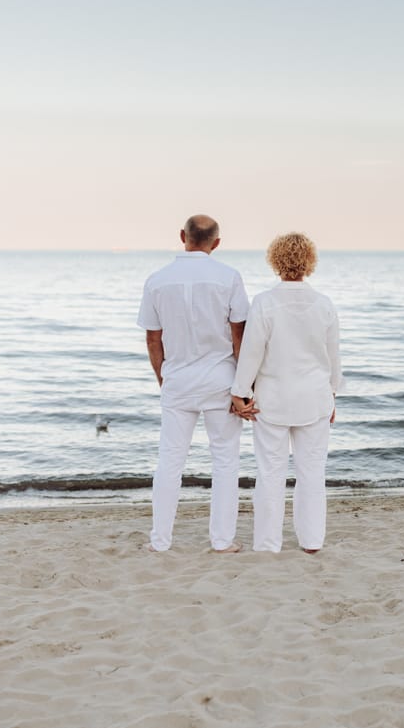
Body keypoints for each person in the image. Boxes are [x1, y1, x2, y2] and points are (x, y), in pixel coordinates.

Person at [137, 214, 250, 553]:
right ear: (216, 243)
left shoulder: (157, 280)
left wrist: (163, 378)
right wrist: (243, 387)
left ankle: (160, 542)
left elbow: (153, 339)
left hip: (178, 382)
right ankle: (222, 541)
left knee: (170, 461)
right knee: (225, 462)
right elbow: (239, 335)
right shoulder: (228, 277)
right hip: (221, 378)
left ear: (182, 236)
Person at [230, 232, 343, 554]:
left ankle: (268, 543)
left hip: (273, 399)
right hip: (314, 397)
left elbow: (251, 352)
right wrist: (332, 395)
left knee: (270, 474)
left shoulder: (265, 302)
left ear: (275, 260)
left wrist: (240, 392)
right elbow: (333, 357)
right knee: (312, 473)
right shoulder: (324, 304)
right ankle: (311, 541)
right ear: (310, 262)